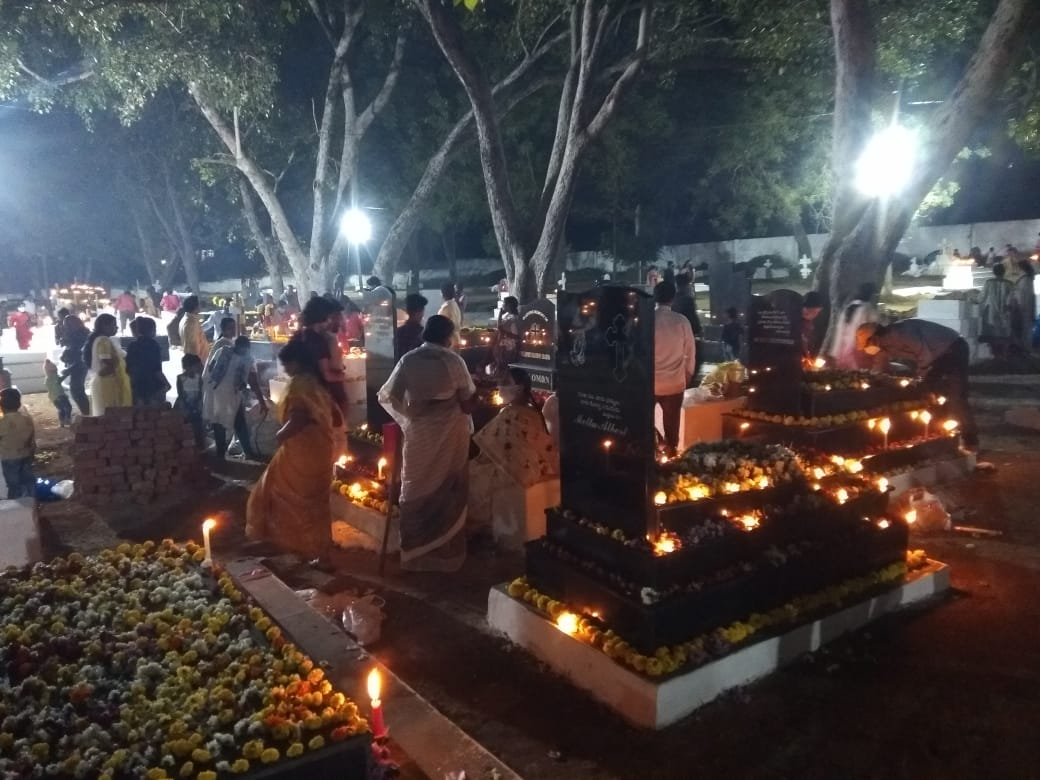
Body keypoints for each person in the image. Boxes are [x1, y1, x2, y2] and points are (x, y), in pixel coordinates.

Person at [378, 315, 476, 572]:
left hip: (419, 434)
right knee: (448, 487)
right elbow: (467, 403)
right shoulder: (453, 361)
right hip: (449, 435)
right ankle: (444, 554)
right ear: (447, 337)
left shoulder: (408, 360)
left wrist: (409, 416)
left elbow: (388, 395)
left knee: (415, 486)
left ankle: (414, 553)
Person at [246, 338, 339, 561]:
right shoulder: (317, 383)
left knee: (279, 496)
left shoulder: (299, 385)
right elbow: (334, 417)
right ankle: (321, 553)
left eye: (286, 364)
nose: (285, 369)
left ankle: (298, 547)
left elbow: (299, 417)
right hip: (321, 450)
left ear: (296, 363)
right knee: (316, 504)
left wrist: (280, 435)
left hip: (302, 453)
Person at [857, 320, 979, 448]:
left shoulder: (901, 333)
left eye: (866, 344)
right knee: (931, 392)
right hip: (937, 356)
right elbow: (879, 366)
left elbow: (924, 355)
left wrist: (921, 379)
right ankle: (936, 431)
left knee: (956, 396)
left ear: (874, 338)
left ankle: (970, 438)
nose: (866, 349)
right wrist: (873, 381)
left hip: (953, 348)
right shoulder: (883, 346)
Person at [473, 367, 559, 484]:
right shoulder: (531, 412)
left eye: (506, 383)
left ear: (519, 389)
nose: (500, 387)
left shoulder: (511, 414)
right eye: (501, 382)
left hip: (515, 470)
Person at [204, 335, 266, 461]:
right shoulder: (246, 359)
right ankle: (240, 453)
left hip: (219, 394)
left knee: (223, 422)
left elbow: (209, 370)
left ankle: (223, 454)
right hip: (224, 395)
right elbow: (253, 382)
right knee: (233, 423)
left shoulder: (223, 352)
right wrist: (261, 401)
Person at [653, 282, 695, 453]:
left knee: (642, 421)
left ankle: (656, 447)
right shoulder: (681, 321)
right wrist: (687, 375)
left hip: (650, 381)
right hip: (674, 382)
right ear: (673, 298)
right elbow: (690, 352)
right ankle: (670, 452)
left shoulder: (648, 320)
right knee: (672, 425)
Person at [86, 313, 132, 416]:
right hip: (108, 384)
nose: (116, 327)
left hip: (104, 383)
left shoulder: (99, 340)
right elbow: (107, 362)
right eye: (113, 325)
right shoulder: (103, 340)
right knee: (111, 415)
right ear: (104, 326)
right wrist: (116, 369)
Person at [829, 283, 880, 369]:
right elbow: (873, 324)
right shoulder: (867, 308)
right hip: (856, 345)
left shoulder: (849, 306)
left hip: (842, 344)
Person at [0, 388, 36, 499]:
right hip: (26, 454)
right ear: (19, 403)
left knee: (13, 484)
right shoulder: (27, 419)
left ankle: (16, 505)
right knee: (28, 481)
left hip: (9, 457)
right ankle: (32, 503)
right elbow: (31, 438)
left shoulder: (2, 422)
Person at [125, 317, 168, 406]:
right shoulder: (153, 345)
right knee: (154, 414)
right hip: (153, 385)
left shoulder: (132, 346)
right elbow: (156, 369)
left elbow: (128, 369)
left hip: (137, 385)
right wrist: (166, 383)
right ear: (151, 330)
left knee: (141, 415)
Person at [978, 263, 1014, 358]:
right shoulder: (1009, 284)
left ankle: (994, 354)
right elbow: (1011, 299)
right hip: (1005, 311)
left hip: (991, 311)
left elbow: (981, 298)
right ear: (1004, 272)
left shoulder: (989, 282)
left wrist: (970, 299)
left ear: (994, 272)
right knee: (1004, 332)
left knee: (992, 332)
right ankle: (1004, 354)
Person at [60, 314, 91, 416]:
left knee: (77, 390)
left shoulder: (81, 334)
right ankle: (86, 413)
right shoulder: (78, 333)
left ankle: (86, 414)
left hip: (79, 364)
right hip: (76, 363)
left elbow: (80, 353)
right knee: (76, 390)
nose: (66, 327)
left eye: (68, 325)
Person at [175, 354, 206, 448]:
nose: (197, 368)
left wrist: (198, 405)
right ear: (187, 367)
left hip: (197, 406)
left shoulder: (199, 378)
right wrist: (186, 406)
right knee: (186, 427)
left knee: (197, 427)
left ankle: (199, 447)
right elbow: (180, 394)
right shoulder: (180, 378)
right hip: (185, 406)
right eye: (195, 366)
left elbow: (201, 393)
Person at [1011, 259, 1036, 353]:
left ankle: (1026, 351)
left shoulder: (1024, 280)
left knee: (1024, 332)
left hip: (1023, 311)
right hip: (1026, 310)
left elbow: (1021, 298)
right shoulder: (1027, 279)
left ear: (1021, 268)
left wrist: (1017, 308)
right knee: (1026, 331)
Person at [179, 295, 210, 364]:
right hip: (198, 364)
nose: (200, 306)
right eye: (199, 304)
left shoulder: (187, 319)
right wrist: (197, 366)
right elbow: (193, 346)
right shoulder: (191, 322)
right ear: (195, 306)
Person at [43, 360, 73, 427]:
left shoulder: (48, 378)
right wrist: (66, 374)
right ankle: (67, 419)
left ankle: (62, 422)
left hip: (54, 397)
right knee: (68, 407)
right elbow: (59, 381)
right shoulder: (53, 376)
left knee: (61, 409)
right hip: (59, 395)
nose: (56, 370)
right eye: (55, 369)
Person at [495, 296, 521, 370]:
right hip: (508, 346)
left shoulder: (512, 318)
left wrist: (500, 314)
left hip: (509, 347)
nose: (502, 305)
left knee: (505, 368)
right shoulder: (511, 316)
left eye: (504, 303)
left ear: (508, 305)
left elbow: (499, 327)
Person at [801, 290, 825, 361]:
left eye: (815, 312)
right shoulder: (794, 319)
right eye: (807, 308)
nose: (808, 312)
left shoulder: (810, 324)